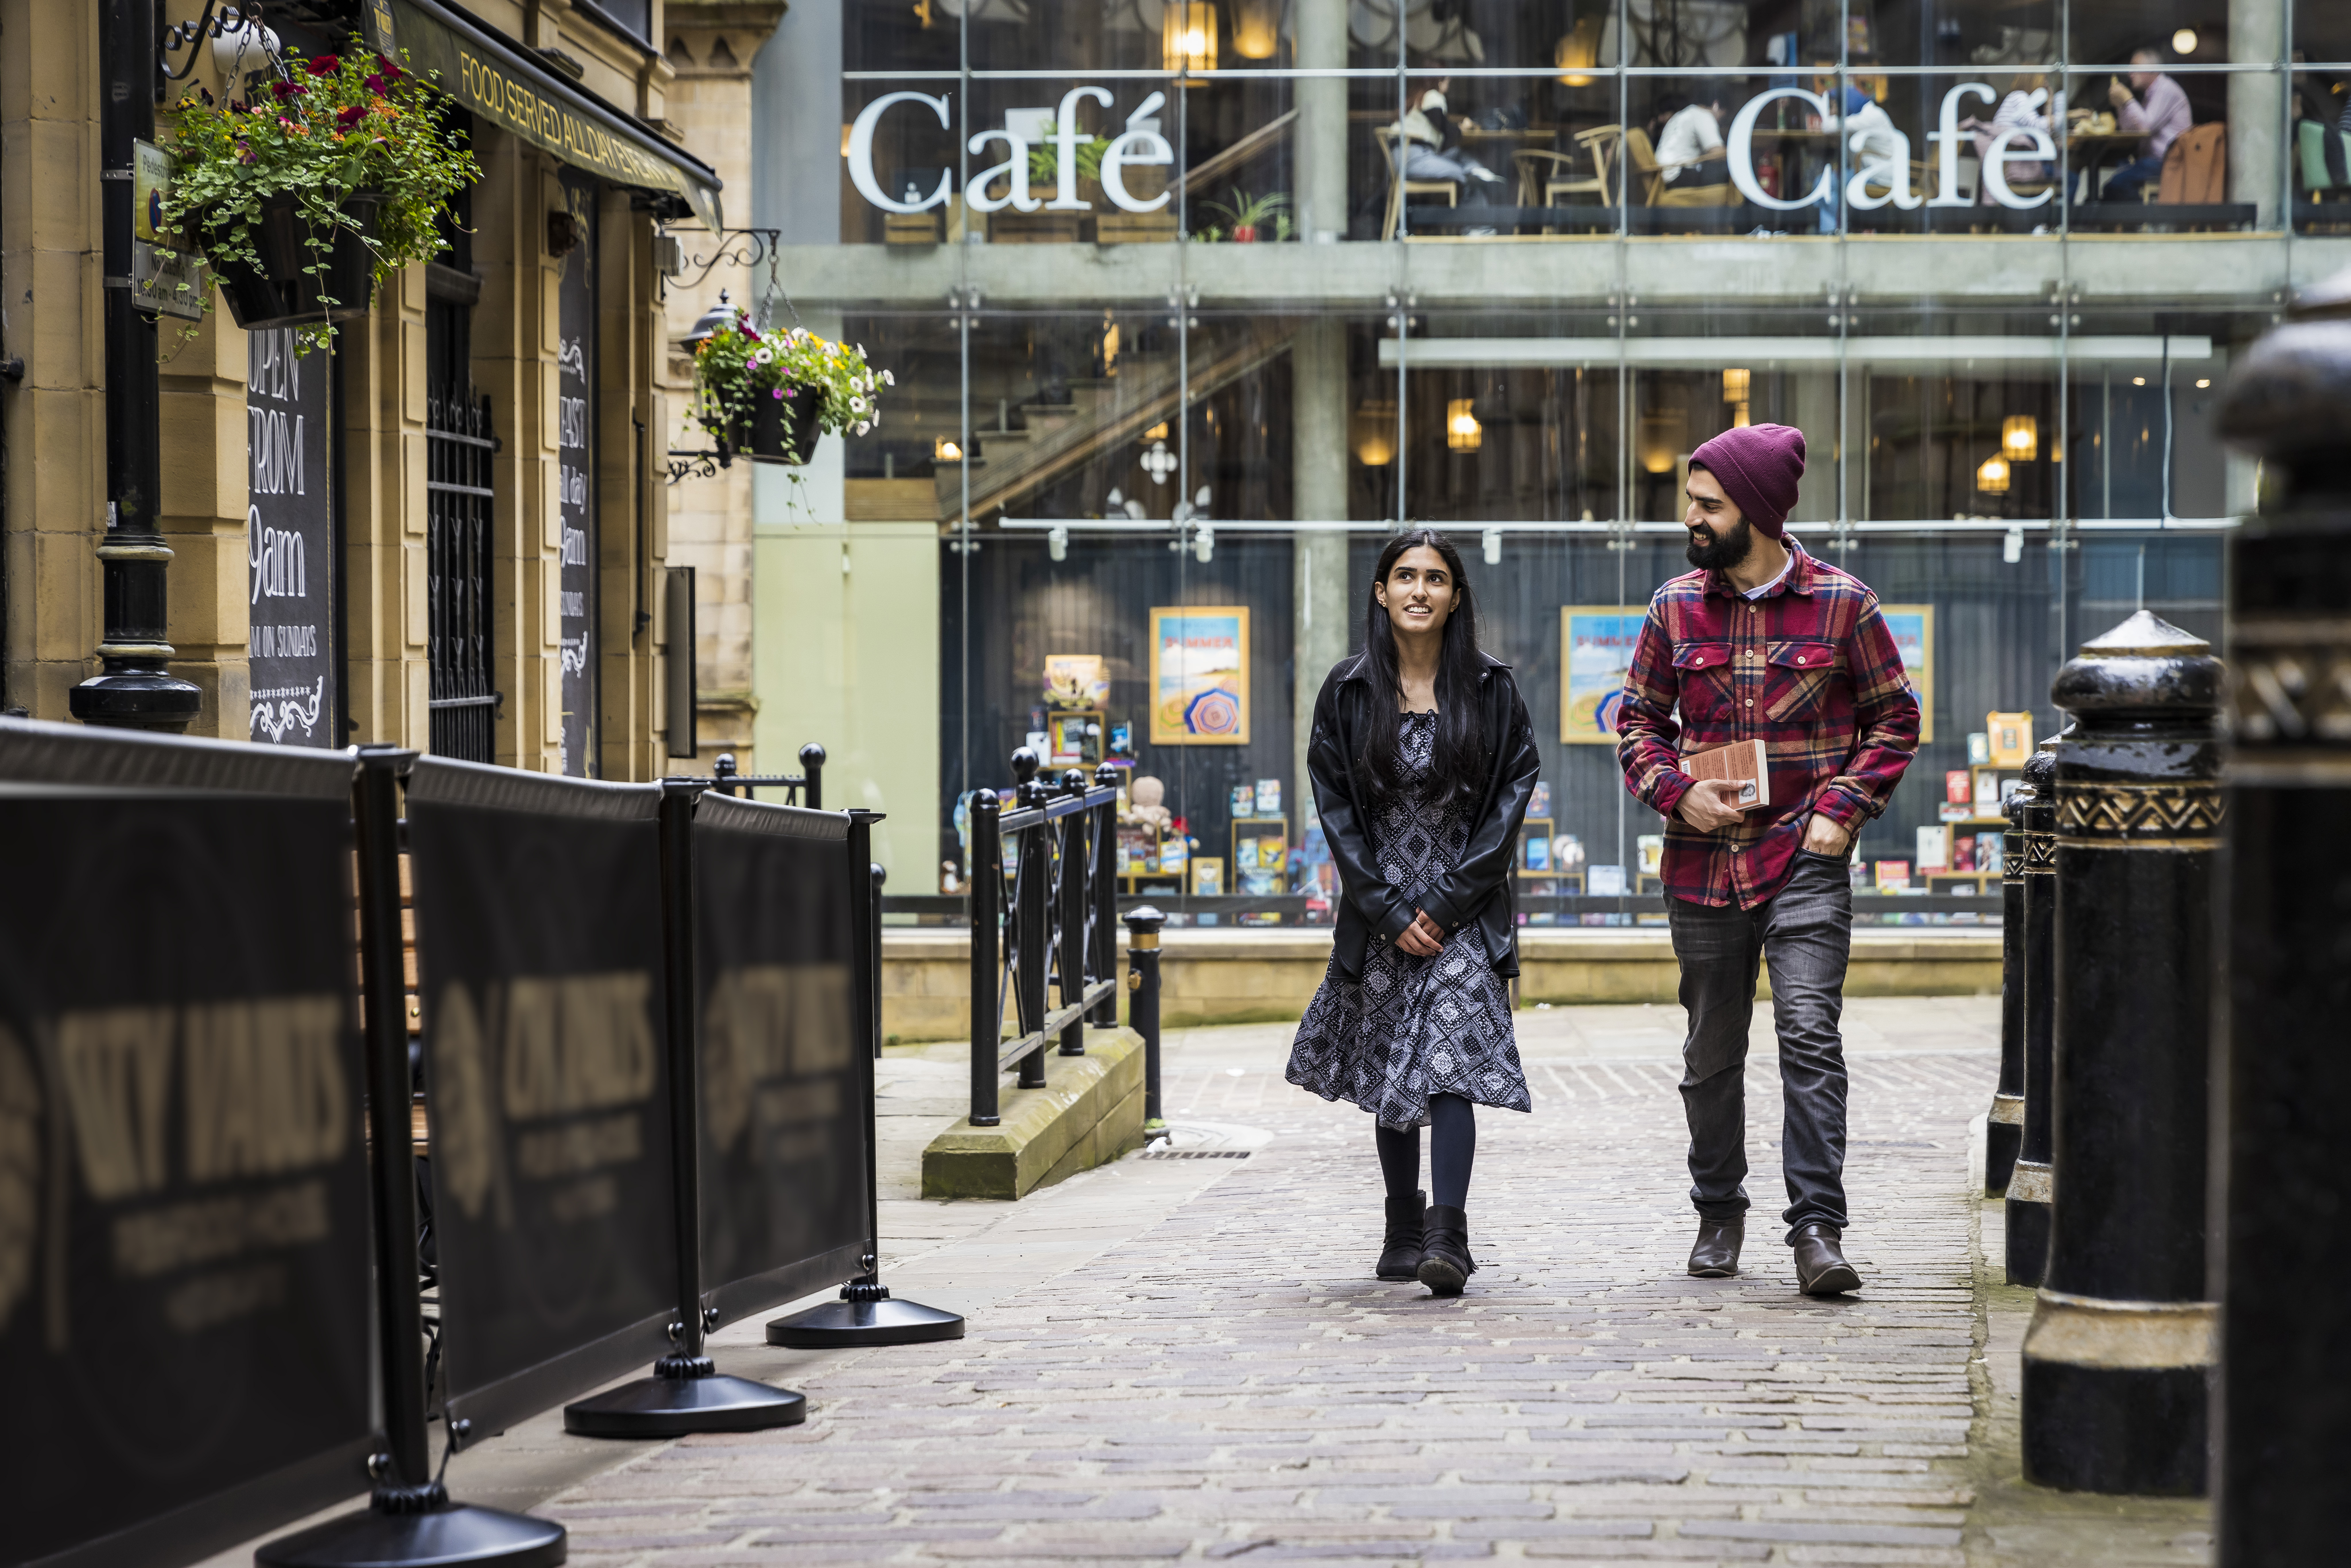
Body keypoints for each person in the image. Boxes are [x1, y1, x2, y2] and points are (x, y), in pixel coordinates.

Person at [1612, 425, 1920, 1297]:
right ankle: (1718, 1209)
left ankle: (1817, 1229)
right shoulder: (1674, 607)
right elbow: (1637, 723)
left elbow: (1895, 718)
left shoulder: (1844, 606)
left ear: (1758, 510)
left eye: (1709, 505)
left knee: (1810, 1041)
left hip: (1804, 860)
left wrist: (1841, 809)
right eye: (1692, 503)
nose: (1692, 518)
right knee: (1712, 1052)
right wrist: (1677, 792)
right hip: (1703, 864)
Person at [1286, 529, 1539, 1297]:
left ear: (1456, 595)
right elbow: (1335, 809)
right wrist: (1389, 906)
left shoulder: (1492, 688)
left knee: (1449, 1059)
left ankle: (1447, 1238)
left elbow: (1511, 795)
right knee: (1392, 1058)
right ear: (1381, 592)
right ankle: (1402, 1226)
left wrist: (1445, 901)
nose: (1419, 590)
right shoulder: (1349, 690)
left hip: (1465, 906)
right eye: (1405, 577)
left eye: (1435, 578)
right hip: (1381, 909)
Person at [2082, 46, 2191, 204]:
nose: (2130, 74)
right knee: (2118, 176)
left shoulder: (2166, 90)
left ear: (2152, 70)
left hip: (2168, 163)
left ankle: (2132, 222)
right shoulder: (2151, 93)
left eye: (2135, 68)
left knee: (2116, 186)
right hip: (2152, 160)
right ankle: (2100, 214)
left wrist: (2127, 99)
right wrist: (2121, 105)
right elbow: (2129, 130)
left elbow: (2146, 127)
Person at [1395, 74, 1507, 227]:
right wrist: (1463, 127)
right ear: (1440, 81)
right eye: (1448, 80)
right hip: (1415, 157)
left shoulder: (1418, 97)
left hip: (1409, 155)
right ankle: (1476, 227)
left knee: (1458, 154)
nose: (1449, 84)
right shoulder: (1433, 96)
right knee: (1466, 177)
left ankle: (1477, 170)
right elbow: (1445, 131)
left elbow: (1444, 140)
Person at [1962, 73, 2053, 202]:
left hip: (2009, 163)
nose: (2046, 86)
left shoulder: (2020, 99)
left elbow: (2045, 134)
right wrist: (2063, 113)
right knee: (2069, 178)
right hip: (2015, 165)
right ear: (2034, 80)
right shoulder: (2019, 97)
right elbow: (2040, 127)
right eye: (2044, 81)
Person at [1652, 92, 1729, 189]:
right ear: (1716, 105)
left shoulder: (1681, 115)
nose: (1719, 122)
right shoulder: (1704, 116)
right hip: (1679, 175)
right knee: (1731, 172)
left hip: (1662, 178)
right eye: (1722, 117)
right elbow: (1717, 154)